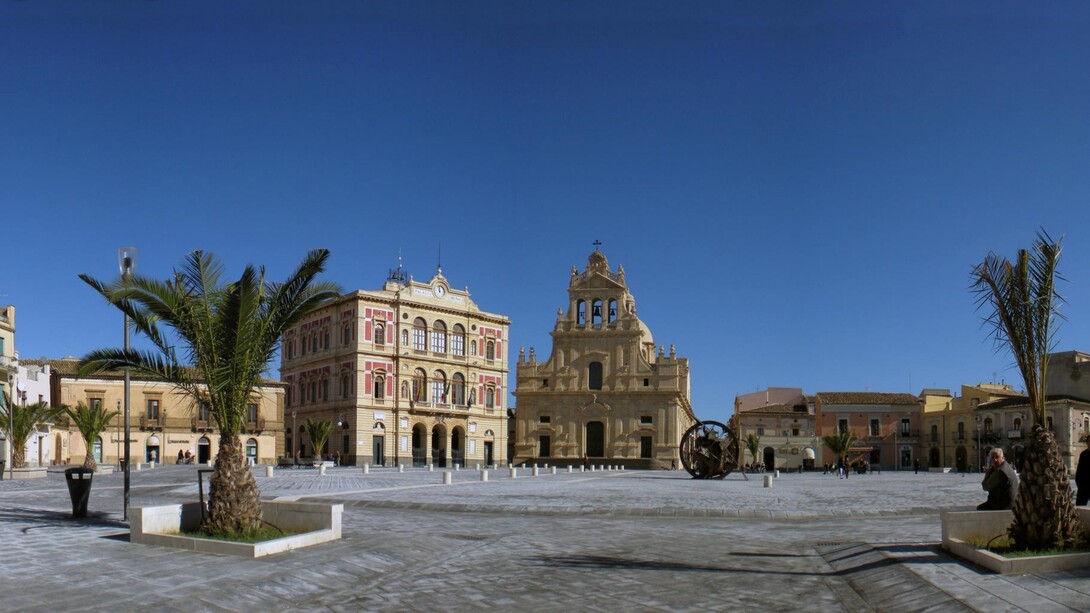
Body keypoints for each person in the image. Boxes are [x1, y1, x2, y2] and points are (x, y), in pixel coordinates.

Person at [1076, 438, 1090, 507]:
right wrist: (1078, 483)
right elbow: (1079, 469)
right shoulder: (1083, 454)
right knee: (1079, 507)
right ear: (1087, 443)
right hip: (1083, 486)